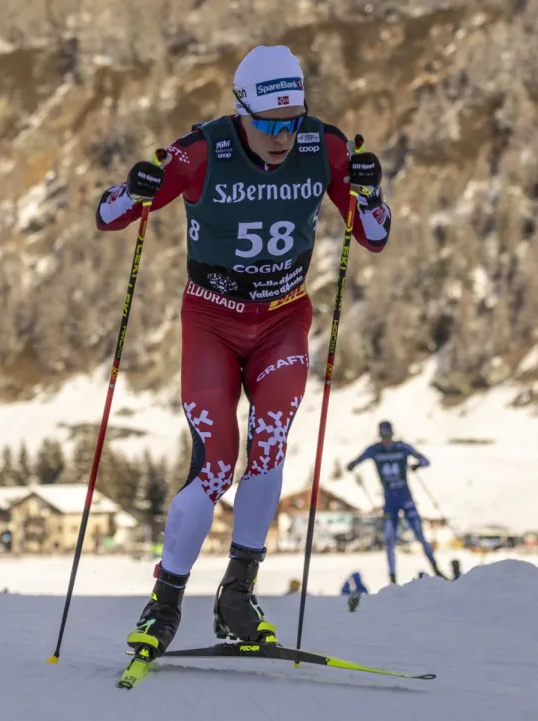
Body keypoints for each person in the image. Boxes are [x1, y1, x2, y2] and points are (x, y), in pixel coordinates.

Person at [95, 44, 393, 658]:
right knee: (215, 464)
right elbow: (109, 216)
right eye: (268, 123)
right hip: (212, 319)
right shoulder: (202, 151)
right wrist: (134, 187)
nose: (282, 136)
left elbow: (375, 236)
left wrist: (369, 192)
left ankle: (238, 592)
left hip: (283, 319)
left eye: (293, 120)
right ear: (242, 111)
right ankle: (165, 603)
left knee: (271, 442)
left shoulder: (325, 147)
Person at [347, 420, 444, 584]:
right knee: (389, 538)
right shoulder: (374, 450)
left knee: (420, 534)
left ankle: (436, 569)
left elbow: (426, 461)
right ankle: (392, 578)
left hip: (405, 498)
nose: (386, 439)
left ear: (392, 434)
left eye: (388, 435)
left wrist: (416, 465)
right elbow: (354, 462)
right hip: (390, 502)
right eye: (383, 436)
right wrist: (352, 466)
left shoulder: (402, 447)